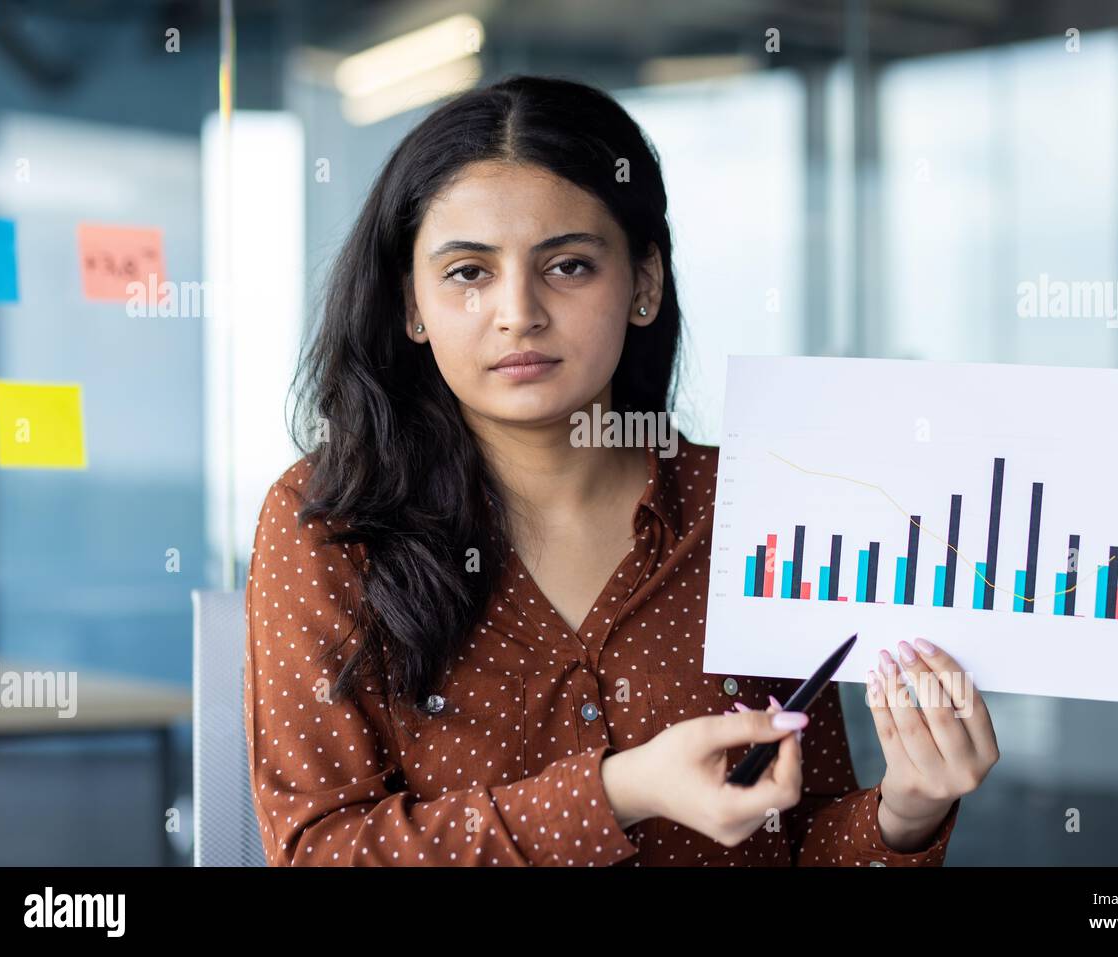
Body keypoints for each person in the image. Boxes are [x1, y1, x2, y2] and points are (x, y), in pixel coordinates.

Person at [244, 73, 999, 866]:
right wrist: (618, 790)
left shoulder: (752, 504)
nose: (518, 312)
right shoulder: (330, 521)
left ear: (644, 284)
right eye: (469, 272)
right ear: (412, 307)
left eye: (567, 265)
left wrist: (907, 808)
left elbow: (801, 839)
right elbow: (320, 850)